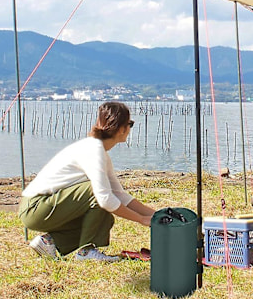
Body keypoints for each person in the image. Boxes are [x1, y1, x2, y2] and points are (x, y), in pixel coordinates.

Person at [18, 101, 155, 262]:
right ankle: (85, 252)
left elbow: (120, 195)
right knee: (97, 193)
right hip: (35, 208)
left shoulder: (99, 151)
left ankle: (49, 242)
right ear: (121, 128)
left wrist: (155, 215)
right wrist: (140, 219)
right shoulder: (94, 150)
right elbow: (105, 199)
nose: (130, 129)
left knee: (105, 218)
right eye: (129, 124)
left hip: (41, 207)